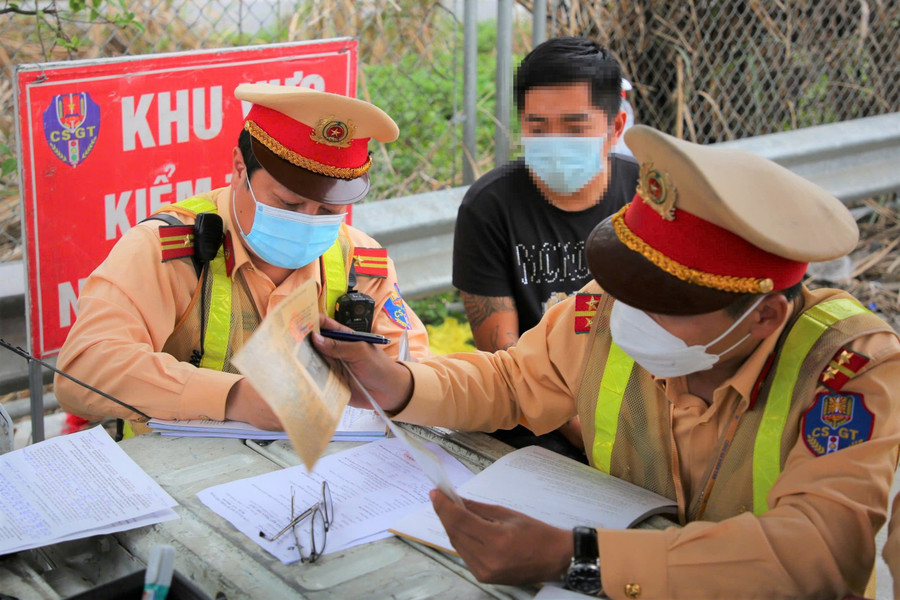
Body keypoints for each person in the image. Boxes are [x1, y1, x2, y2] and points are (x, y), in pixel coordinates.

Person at [316, 125, 900, 598]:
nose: (626, 315)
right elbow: (513, 380)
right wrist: (399, 382)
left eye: (664, 304)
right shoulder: (606, 311)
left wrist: (578, 559)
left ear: (765, 318)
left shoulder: (850, 368)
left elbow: (820, 551)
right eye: (624, 285)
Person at [55, 84, 429, 432]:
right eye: (289, 202)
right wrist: (234, 398)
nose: (308, 219)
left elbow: (417, 370)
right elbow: (83, 369)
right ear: (238, 168)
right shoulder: (164, 249)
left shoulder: (360, 261)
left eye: (330, 210)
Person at [452, 37, 639, 459]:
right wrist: (597, 440)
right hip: (542, 419)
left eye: (575, 128)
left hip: (645, 407)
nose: (555, 142)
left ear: (615, 129)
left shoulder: (648, 196)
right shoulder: (489, 207)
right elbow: (509, 361)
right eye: (537, 127)